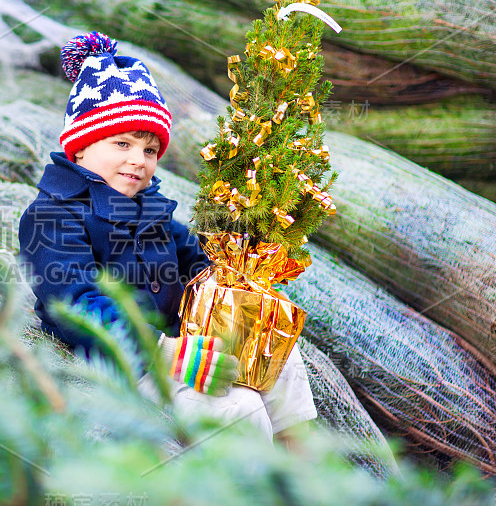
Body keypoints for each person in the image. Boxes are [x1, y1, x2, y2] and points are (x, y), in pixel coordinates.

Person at [18, 31, 316, 444]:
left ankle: (306, 469)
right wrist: (165, 351)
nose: (137, 160)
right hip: (123, 361)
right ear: (80, 148)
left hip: (179, 343)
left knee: (276, 353)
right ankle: (254, 484)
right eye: (121, 143)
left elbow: (195, 261)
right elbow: (75, 303)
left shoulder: (151, 206)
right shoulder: (54, 214)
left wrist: (237, 286)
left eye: (150, 150)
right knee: (237, 408)